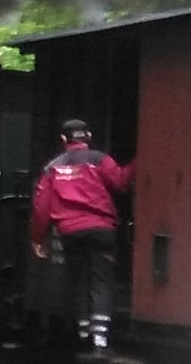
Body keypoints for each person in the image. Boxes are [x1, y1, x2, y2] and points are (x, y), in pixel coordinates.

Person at [30, 118, 131, 352]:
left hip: (70, 232)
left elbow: (41, 207)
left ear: (63, 139)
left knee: (78, 280)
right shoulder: (99, 159)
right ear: (88, 136)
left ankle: (83, 333)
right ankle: (100, 340)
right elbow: (121, 182)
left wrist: (38, 239)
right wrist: (140, 160)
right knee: (101, 281)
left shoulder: (52, 168)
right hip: (101, 230)